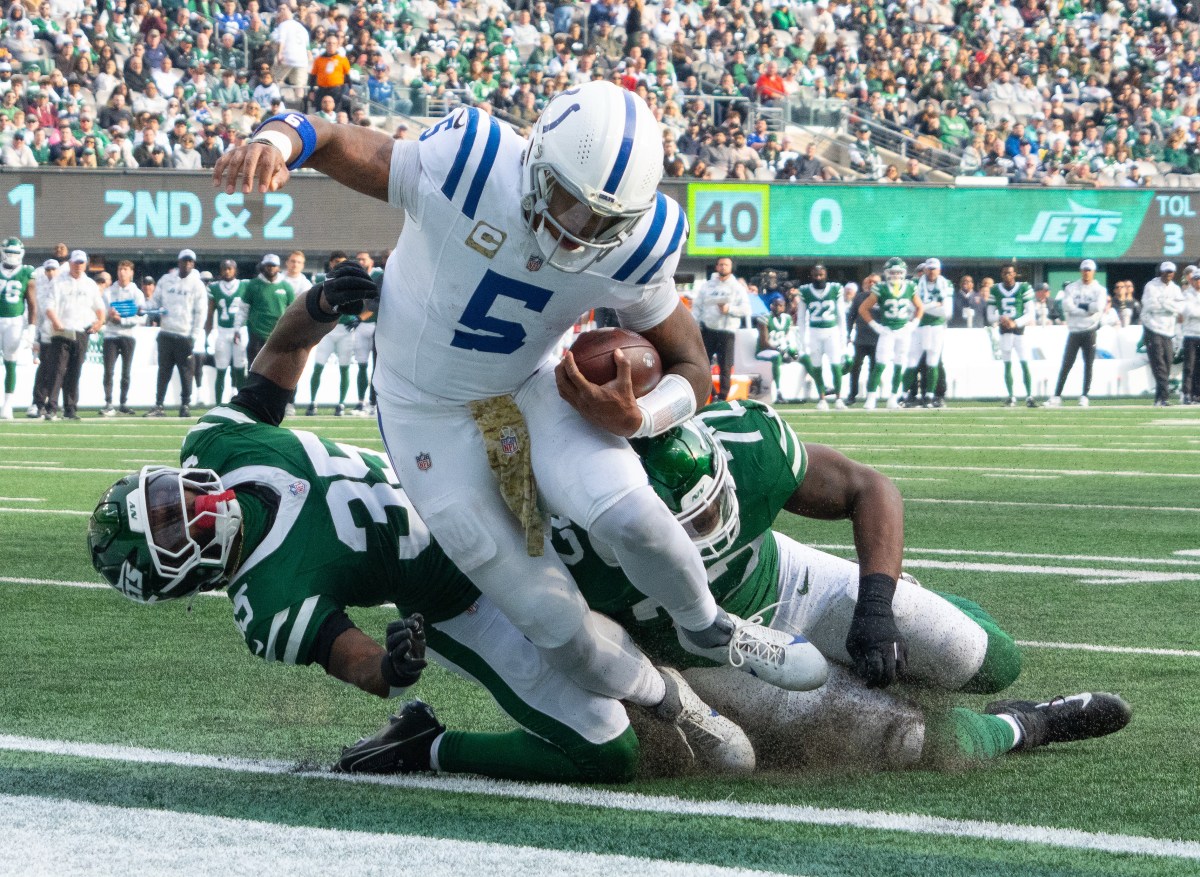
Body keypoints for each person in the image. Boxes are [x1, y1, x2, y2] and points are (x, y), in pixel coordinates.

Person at [213, 81, 825, 709]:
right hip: (426, 416)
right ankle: (668, 702)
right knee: (549, 620)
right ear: (534, 158)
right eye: (567, 199)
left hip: (530, 388)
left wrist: (641, 415)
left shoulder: (642, 243)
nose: (577, 230)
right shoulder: (473, 165)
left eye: (603, 221)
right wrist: (274, 140)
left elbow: (694, 366)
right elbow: (331, 137)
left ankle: (708, 628)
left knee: (634, 520)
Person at [87, 269, 755, 782]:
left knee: (612, 498)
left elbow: (277, 362)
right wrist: (396, 663)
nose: (191, 502)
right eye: (174, 523)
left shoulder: (217, 445)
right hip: (457, 599)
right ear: (181, 572)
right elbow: (362, 665)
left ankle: (724, 627)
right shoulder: (268, 605)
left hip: (479, 479)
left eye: (168, 495)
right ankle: (425, 745)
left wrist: (316, 307)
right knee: (608, 751)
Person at [550, 399, 1132, 771]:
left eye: (711, 512)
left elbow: (868, 487)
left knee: (987, 658)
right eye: (687, 527)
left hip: (790, 580)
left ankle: (909, 613)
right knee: (903, 741)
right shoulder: (564, 535)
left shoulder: (744, 445)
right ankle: (1025, 724)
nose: (708, 532)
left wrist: (876, 609)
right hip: (714, 656)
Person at [145, 249, 207, 418]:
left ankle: (185, 404)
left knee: (186, 372)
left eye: (190, 261)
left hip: (184, 334)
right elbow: (155, 302)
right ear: (178, 262)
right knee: (163, 370)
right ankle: (159, 405)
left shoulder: (197, 284)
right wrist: (145, 309)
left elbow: (200, 312)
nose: (187, 264)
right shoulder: (166, 280)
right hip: (166, 332)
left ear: (193, 264)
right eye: (184, 261)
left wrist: (194, 336)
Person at [43, 250, 104, 421]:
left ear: (86, 264)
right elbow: (49, 305)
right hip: (62, 331)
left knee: (75, 371)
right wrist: (55, 321)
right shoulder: (58, 282)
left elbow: (99, 307)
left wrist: (99, 322)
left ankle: (70, 408)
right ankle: (52, 408)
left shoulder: (90, 284)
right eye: (76, 262)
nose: (78, 266)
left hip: (81, 331)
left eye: (81, 263)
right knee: (57, 371)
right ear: (70, 263)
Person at [857, 258, 923, 410]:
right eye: (892, 272)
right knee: (880, 364)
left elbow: (920, 307)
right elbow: (863, 308)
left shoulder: (910, 287)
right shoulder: (880, 288)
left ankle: (893, 398)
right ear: (886, 273)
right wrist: (875, 325)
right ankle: (871, 397)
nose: (895, 275)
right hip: (887, 331)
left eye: (898, 272)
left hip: (903, 330)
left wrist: (913, 324)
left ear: (904, 273)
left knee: (899, 365)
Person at [1048, 260, 1107, 408]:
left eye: (1089, 270)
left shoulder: (1099, 289)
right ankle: (1057, 395)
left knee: (1088, 364)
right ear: (1081, 271)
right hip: (1074, 330)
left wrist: (1078, 307)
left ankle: (1084, 395)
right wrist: (1086, 308)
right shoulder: (1072, 287)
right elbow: (1067, 305)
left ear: (1093, 272)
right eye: (1084, 270)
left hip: (1090, 329)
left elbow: (1098, 307)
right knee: (1067, 363)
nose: (1086, 273)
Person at [693, 256, 751, 401]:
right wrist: (695, 325)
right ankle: (711, 393)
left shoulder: (737, 287)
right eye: (720, 264)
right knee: (703, 364)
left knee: (725, 366)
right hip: (708, 329)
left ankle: (723, 396)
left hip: (727, 331)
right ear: (716, 267)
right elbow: (697, 307)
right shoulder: (707, 286)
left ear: (731, 267)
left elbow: (746, 310)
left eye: (726, 265)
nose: (723, 267)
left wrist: (729, 309)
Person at [902, 258, 952, 408]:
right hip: (918, 326)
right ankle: (905, 395)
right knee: (912, 361)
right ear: (924, 270)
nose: (931, 272)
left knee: (933, 362)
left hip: (936, 327)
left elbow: (946, 311)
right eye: (929, 269)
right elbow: (910, 308)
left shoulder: (946, 284)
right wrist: (934, 305)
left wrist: (922, 307)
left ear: (939, 270)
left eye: (934, 269)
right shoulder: (914, 284)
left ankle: (930, 396)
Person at [795, 264, 846, 410]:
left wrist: (843, 336)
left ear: (826, 275)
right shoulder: (805, 291)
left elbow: (841, 315)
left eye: (821, 275)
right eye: (816, 275)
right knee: (817, 366)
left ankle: (838, 398)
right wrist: (803, 339)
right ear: (812, 275)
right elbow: (801, 317)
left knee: (836, 365)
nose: (818, 278)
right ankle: (822, 398)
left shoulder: (836, 288)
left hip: (832, 331)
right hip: (814, 332)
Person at [101, 260, 146, 416]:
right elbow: (102, 315)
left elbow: (142, 317)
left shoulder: (137, 294)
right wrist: (109, 316)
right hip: (111, 335)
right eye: (120, 269)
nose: (122, 272)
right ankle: (108, 402)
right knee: (109, 371)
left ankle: (123, 402)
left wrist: (123, 320)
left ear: (131, 272)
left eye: (125, 269)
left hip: (128, 335)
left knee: (126, 371)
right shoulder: (108, 292)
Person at [988, 265, 1037, 408]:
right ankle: (1011, 396)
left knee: (1024, 363)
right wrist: (1001, 318)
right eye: (1004, 273)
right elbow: (990, 315)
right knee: (1007, 364)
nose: (1007, 276)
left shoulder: (1024, 287)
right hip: (1004, 331)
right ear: (1001, 275)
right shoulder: (995, 289)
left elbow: (1030, 313)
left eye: (1010, 273)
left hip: (1019, 331)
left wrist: (1015, 322)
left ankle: (1029, 395)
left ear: (1015, 274)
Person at [0, 237, 36, 420]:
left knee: (10, 362)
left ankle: (8, 404)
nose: (12, 256)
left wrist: (31, 327)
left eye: (15, 253)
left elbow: (32, 303)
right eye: (10, 252)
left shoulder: (27, 272)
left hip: (14, 321)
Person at [1140, 261, 1183, 407]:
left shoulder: (1176, 289)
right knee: (1159, 363)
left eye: (1171, 272)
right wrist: (1169, 305)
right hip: (1152, 328)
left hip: (1168, 330)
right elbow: (1149, 305)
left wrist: (1163, 303)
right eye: (1166, 271)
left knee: (1167, 361)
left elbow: (1180, 307)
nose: (1168, 274)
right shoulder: (1151, 286)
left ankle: (1159, 398)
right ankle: (1164, 397)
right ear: (1161, 272)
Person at [206, 259, 248, 407]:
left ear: (235, 270)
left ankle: (243, 404)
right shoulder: (214, 287)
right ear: (220, 270)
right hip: (222, 331)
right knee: (221, 369)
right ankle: (218, 404)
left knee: (239, 369)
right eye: (224, 268)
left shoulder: (245, 285)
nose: (227, 271)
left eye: (230, 268)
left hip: (240, 331)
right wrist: (207, 334)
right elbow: (210, 313)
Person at [242, 253, 295, 365]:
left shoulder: (286, 286)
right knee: (255, 366)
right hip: (256, 332)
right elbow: (243, 308)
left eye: (273, 265)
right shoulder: (253, 285)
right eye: (268, 265)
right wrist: (238, 327)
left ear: (278, 267)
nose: (270, 268)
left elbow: (292, 311)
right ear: (263, 266)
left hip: (278, 332)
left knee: (278, 366)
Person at [26, 258, 59, 419]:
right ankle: (37, 403)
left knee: (59, 371)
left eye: (53, 269)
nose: (51, 273)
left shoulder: (64, 286)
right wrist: (36, 338)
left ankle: (51, 405)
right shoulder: (41, 291)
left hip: (61, 335)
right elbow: (38, 317)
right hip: (46, 335)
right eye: (48, 270)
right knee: (44, 370)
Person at [754, 292, 798, 405]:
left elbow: (788, 337)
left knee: (803, 357)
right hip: (764, 351)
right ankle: (779, 392)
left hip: (780, 349)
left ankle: (820, 391)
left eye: (780, 305)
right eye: (775, 305)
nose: (778, 307)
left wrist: (790, 350)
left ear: (784, 307)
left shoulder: (787, 318)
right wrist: (779, 350)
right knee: (777, 357)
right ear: (771, 306)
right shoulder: (764, 318)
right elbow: (764, 342)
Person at [1181, 267, 1200, 406]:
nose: (1198, 282)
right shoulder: (1187, 294)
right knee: (1189, 366)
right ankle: (1187, 393)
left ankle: (1197, 394)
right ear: (1192, 281)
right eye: (1196, 279)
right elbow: (1188, 311)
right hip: (1190, 335)